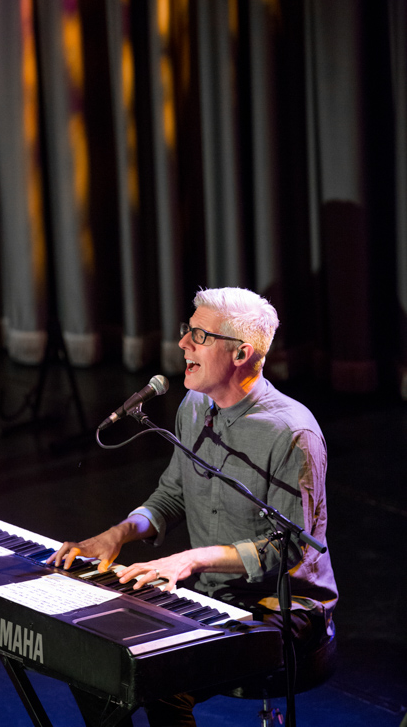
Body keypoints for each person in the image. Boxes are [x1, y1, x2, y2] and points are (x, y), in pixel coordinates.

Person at [48, 286, 338, 726]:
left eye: (200, 335)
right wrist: (117, 535)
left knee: (162, 679)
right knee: (100, 662)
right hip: (210, 594)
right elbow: (174, 493)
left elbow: (291, 548)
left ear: (241, 353)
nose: (183, 343)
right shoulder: (194, 405)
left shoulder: (293, 434)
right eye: (188, 329)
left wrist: (191, 559)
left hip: (283, 609)